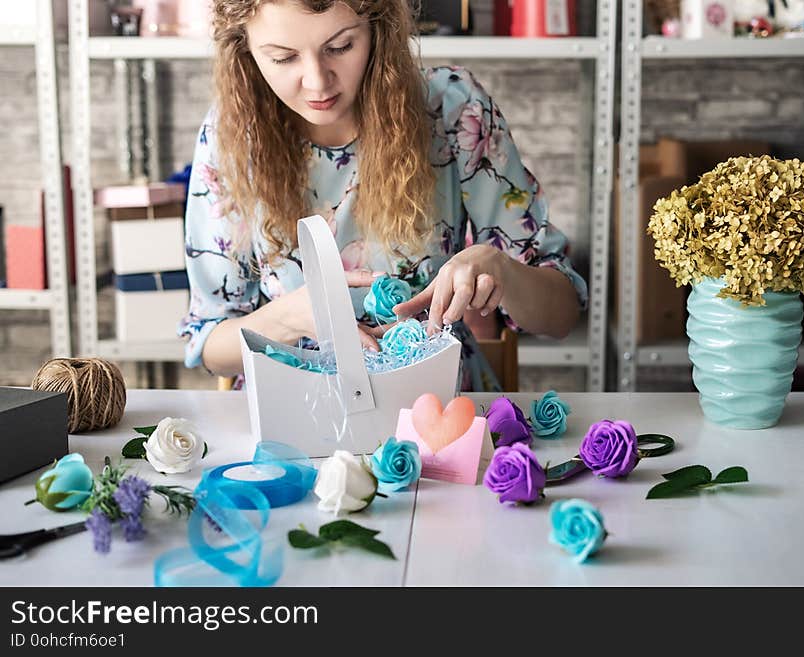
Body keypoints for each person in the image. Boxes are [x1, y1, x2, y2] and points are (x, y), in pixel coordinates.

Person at [179, 0, 587, 391]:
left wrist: (502, 269)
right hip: (290, 420)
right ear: (243, 46)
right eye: (283, 58)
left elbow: (561, 314)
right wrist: (287, 319)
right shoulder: (231, 138)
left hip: (436, 412)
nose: (318, 81)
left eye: (340, 46)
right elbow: (210, 346)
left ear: (378, 28)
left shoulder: (452, 109)